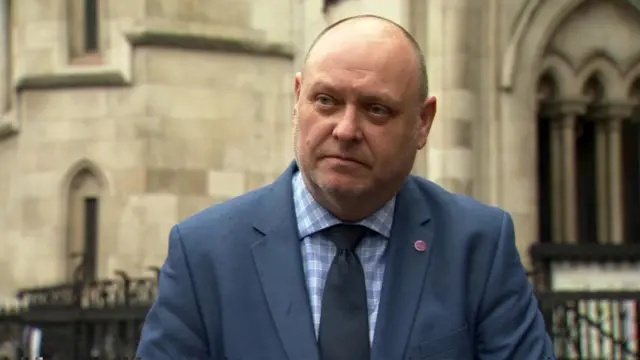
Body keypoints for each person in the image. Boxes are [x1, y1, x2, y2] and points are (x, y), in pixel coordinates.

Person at [136, 15, 555, 360]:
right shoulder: (204, 253)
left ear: (422, 123)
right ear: (298, 98)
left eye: (376, 109)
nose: (346, 129)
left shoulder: (477, 247)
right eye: (326, 101)